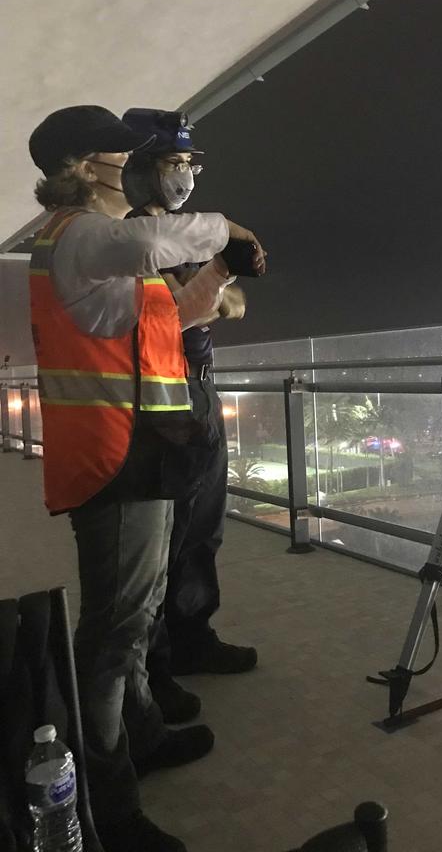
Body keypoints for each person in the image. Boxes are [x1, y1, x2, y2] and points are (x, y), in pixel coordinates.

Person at [28, 105, 254, 852]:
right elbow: (155, 238)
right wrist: (225, 230)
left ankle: (145, 734)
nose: (139, 165)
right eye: (120, 154)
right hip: (113, 454)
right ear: (86, 165)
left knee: (140, 610)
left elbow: (174, 320)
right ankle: (109, 804)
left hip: (142, 449)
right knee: (115, 631)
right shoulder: (83, 233)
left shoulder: (102, 248)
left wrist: (221, 272)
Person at [120, 108, 265, 725]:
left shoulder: (187, 234)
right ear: (141, 172)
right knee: (167, 531)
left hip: (199, 385)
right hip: (162, 388)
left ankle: (192, 638)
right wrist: (218, 278)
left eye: (188, 162)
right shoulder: (135, 237)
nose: (184, 173)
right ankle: (155, 663)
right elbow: (191, 310)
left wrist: (212, 285)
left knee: (203, 525)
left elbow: (232, 304)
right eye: (172, 162)